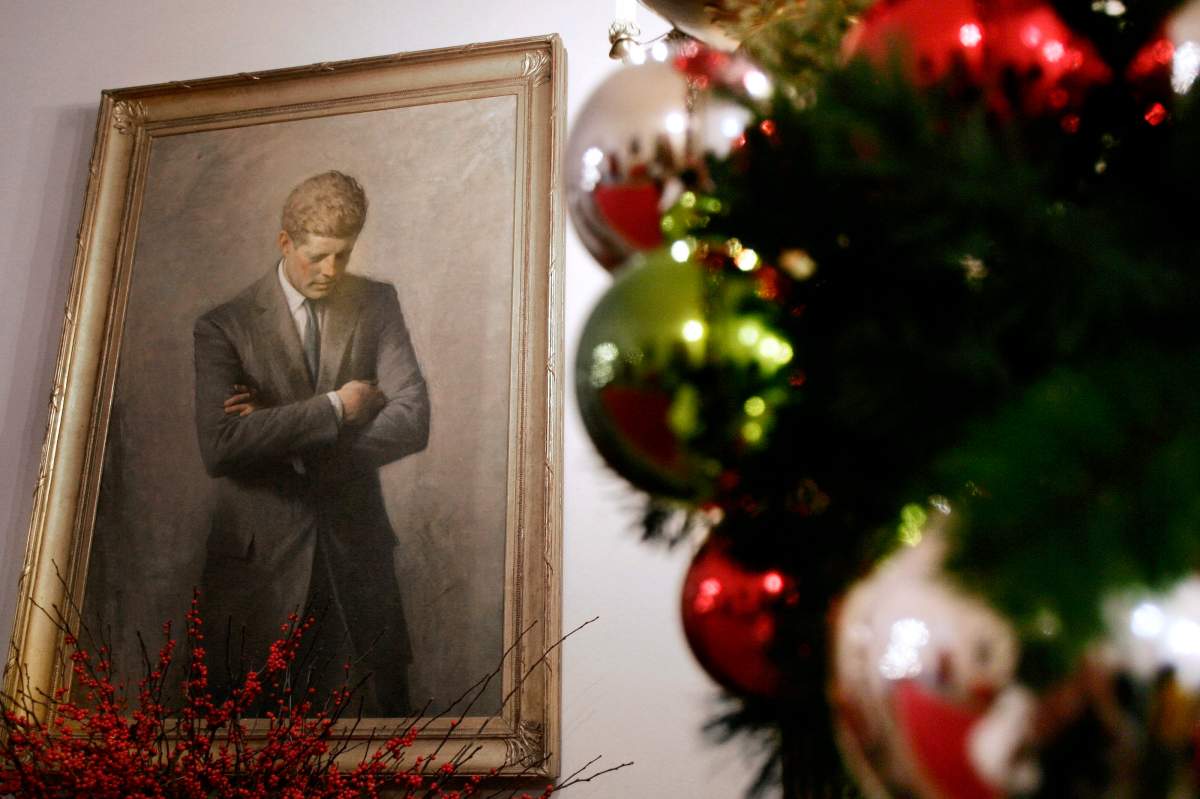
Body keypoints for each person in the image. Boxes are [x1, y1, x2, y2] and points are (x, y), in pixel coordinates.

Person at [192, 170, 430, 714]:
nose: (331, 271)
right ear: (285, 243)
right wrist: (336, 408)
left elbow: (413, 418)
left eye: (343, 255)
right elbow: (221, 446)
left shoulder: (376, 303)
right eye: (317, 257)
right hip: (258, 578)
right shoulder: (224, 326)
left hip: (357, 563)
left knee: (378, 738)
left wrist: (284, 437)